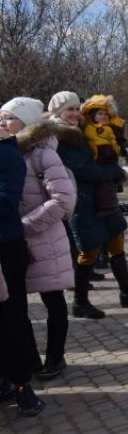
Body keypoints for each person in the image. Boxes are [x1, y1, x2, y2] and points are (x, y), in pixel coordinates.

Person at [49, 91, 128, 318]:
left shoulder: (83, 130)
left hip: (103, 197)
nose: (74, 113)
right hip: (83, 202)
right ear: (58, 112)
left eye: (77, 109)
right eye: (69, 109)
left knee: (117, 244)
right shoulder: (59, 138)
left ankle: (127, 293)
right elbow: (81, 169)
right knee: (89, 252)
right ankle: (80, 302)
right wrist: (112, 172)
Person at [0, 98, 76, 380]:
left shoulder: (44, 155)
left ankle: (56, 357)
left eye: (9, 118)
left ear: (27, 122)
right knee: (17, 304)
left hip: (44, 240)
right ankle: (29, 359)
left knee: (53, 299)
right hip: (16, 243)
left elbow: (62, 201)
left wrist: (25, 225)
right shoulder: (7, 154)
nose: (3, 123)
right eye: (1, 118)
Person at [0, 98, 45, 416]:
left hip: (5, 245)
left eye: (8, 119)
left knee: (10, 317)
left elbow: (5, 202)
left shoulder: (8, 156)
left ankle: (21, 384)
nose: (2, 123)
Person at [81, 97, 122, 216]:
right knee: (101, 187)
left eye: (105, 114)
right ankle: (105, 207)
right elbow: (92, 140)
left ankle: (109, 206)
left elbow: (114, 141)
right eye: (100, 114)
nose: (103, 116)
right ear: (93, 115)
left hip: (109, 159)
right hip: (97, 159)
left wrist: (118, 150)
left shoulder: (110, 129)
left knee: (108, 186)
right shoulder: (89, 128)